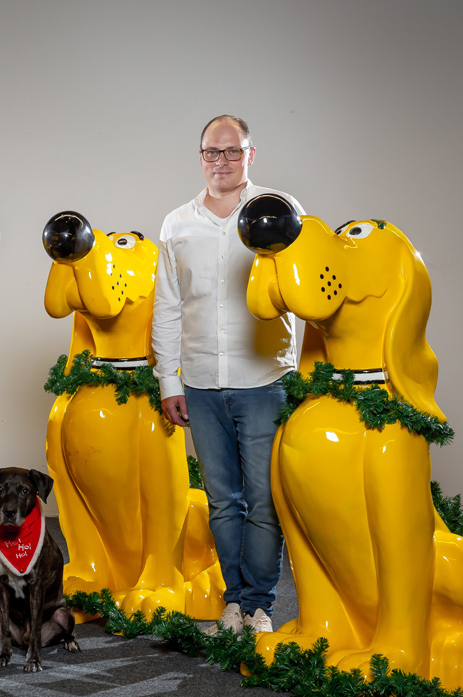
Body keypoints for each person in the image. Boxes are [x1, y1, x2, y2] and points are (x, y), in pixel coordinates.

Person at [151, 115, 302, 635]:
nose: (222, 162)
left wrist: (293, 371)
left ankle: (260, 606)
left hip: (262, 381)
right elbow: (168, 307)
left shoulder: (280, 213)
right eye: (212, 153)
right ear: (201, 158)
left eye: (232, 152)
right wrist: (169, 382)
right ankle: (232, 604)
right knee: (222, 500)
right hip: (199, 381)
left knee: (262, 499)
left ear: (250, 154)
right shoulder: (177, 223)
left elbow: (299, 299)